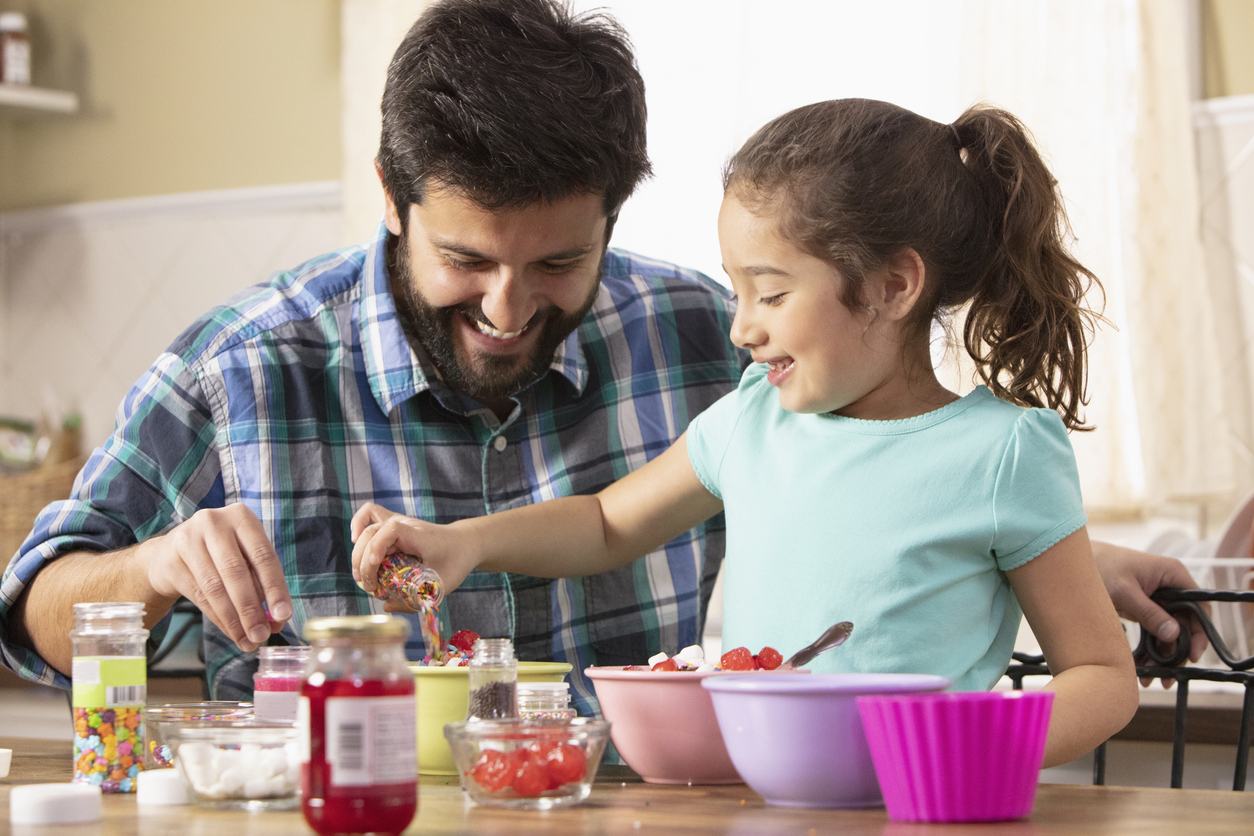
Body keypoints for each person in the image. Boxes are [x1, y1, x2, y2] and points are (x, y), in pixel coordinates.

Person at [0, 0, 1202, 718]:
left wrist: (1050, 545)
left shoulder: (705, 338)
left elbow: (864, 473)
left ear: (616, 216)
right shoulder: (241, 367)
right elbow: (32, 616)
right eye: (468, 258)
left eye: (559, 261)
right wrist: (155, 564)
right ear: (391, 198)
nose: (511, 307)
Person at [351, 99, 1143, 766]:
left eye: (769, 295)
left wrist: (972, 742)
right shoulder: (752, 419)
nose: (740, 330)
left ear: (892, 286)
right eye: (736, 293)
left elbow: (1104, 677)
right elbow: (603, 523)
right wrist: (465, 544)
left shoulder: (1003, 453)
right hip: (759, 804)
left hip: (922, 810)